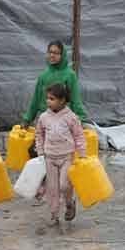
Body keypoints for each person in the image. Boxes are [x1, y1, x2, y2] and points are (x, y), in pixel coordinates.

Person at [35, 83, 88, 226]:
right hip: (49, 157)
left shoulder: (71, 117)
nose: (48, 101)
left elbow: (79, 136)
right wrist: (40, 151)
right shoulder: (44, 117)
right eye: (47, 98)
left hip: (66, 157)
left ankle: (70, 204)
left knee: (64, 185)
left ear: (62, 100)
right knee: (52, 188)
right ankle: (54, 215)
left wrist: (82, 154)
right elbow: (39, 134)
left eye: (52, 99)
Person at [22, 41, 87, 128]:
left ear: (62, 55)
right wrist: (27, 119)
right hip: (46, 121)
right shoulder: (43, 76)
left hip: (64, 121)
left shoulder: (69, 75)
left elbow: (75, 99)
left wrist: (81, 119)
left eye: (56, 53)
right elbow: (35, 99)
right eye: (50, 52)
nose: (52, 55)